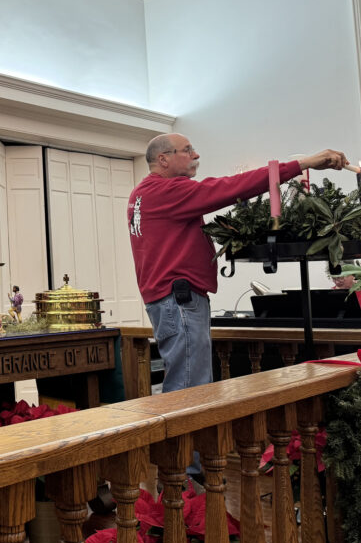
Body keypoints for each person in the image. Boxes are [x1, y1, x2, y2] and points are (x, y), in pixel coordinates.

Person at [128, 133, 348, 398]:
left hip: (169, 299)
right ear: (163, 159)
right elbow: (232, 187)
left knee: (186, 382)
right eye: (187, 150)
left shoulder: (141, 193)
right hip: (179, 300)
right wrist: (304, 163)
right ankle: (190, 439)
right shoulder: (167, 191)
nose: (196, 155)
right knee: (189, 389)